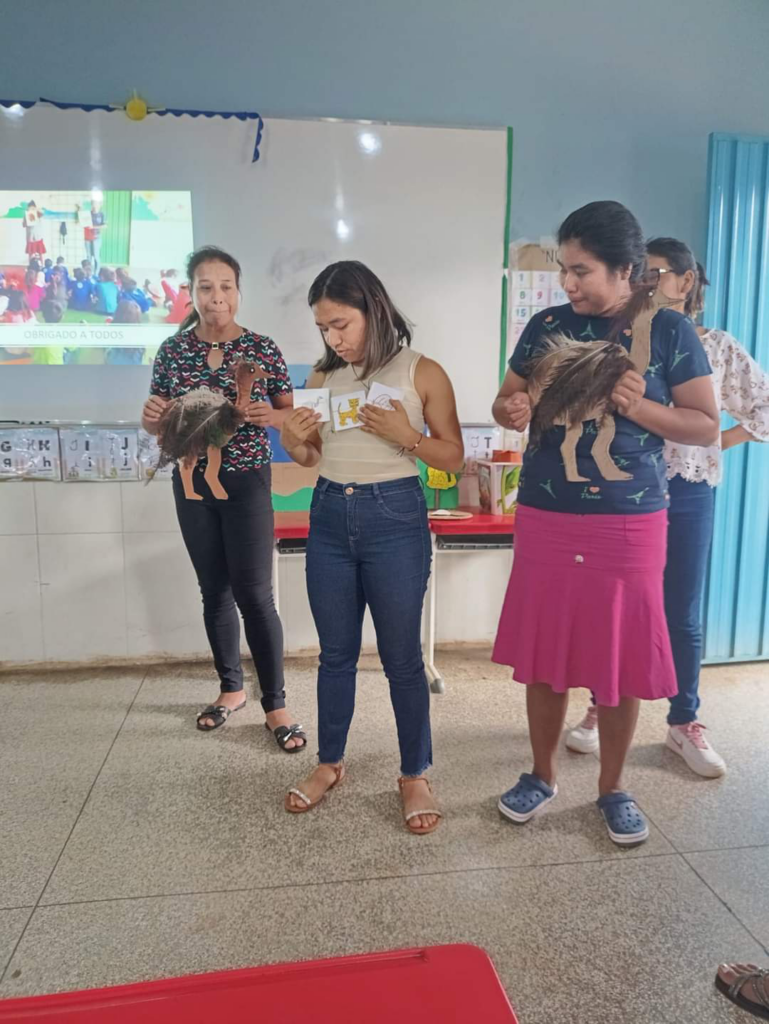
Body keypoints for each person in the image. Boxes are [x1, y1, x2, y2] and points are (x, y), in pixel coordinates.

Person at [491, 201, 719, 846]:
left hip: (628, 519)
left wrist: (640, 405)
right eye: (564, 270)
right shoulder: (545, 326)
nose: (568, 284)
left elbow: (703, 424)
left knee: (617, 659)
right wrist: (510, 407)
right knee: (544, 657)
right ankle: (540, 775)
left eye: (582, 271)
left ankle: (614, 788)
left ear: (626, 271)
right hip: (546, 511)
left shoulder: (668, 330)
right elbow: (504, 396)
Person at [566, 237, 769, 777]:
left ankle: (684, 720)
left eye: (658, 275)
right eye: (641, 276)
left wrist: (717, 442)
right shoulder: (619, 341)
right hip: (622, 492)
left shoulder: (718, 347)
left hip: (686, 490)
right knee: (612, 606)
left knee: (680, 607)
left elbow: (764, 405)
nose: (647, 286)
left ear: (686, 282)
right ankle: (599, 706)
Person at [280, 261, 464, 833]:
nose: (333, 338)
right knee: (335, 654)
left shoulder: (422, 372)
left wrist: (406, 437)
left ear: (373, 308)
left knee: (401, 658)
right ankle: (329, 764)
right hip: (331, 513)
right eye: (323, 328)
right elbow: (313, 460)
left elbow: (452, 457)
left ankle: (414, 774)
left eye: (341, 323)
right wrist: (294, 440)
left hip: (395, 517)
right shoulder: (322, 375)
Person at [141, 245, 305, 749]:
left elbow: (292, 416)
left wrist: (269, 417)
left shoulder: (261, 348)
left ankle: (275, 703)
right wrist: (149, 421)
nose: (217, 297)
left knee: (256, 595)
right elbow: (161, 423)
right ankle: (231, 689)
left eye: (226, 286)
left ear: (239, 291)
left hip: (247, 482)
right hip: (191, 484)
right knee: (214, 591)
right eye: (206, 287)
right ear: (191, 293)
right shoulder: (172, 352)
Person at [84, 200, 106, 272]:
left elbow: (104, 226)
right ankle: (88, 273)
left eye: (96, 204)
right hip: (87, 237)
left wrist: (94, 227)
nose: (94, 206)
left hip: (96, 237)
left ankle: (96, 273)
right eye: (93, 204)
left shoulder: (102, 214)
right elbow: (82, 222)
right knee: (88, 257)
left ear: (100, 205)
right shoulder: (87, 214)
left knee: (96, 256)